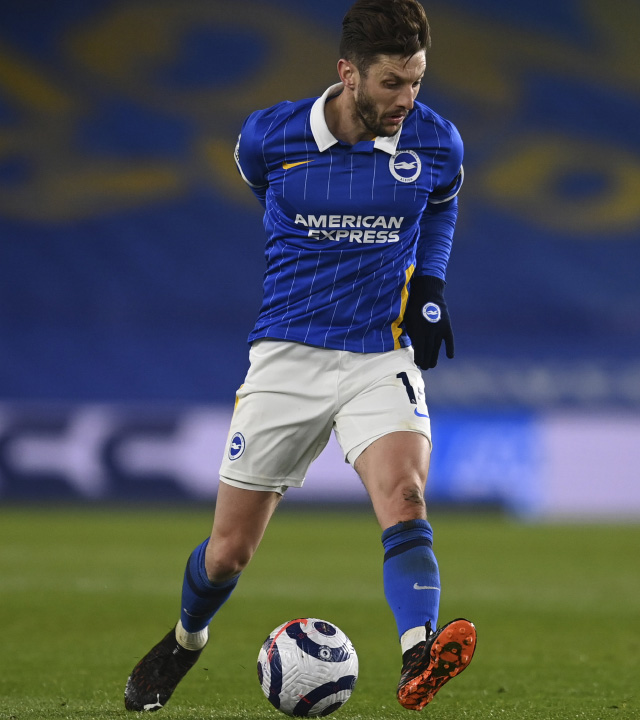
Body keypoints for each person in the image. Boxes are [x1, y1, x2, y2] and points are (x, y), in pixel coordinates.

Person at [124, 0, 475, 712]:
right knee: (229, 552)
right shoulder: (271, 137)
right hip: (288, 354)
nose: (407, 99)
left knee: (406, 498)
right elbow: (263, 190)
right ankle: (187, 638)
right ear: (348, 74)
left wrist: (430, 284)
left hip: (380, 352)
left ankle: (418, 653)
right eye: (392, 83)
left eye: (416, 81)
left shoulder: (436, 143)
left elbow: (441, 202)